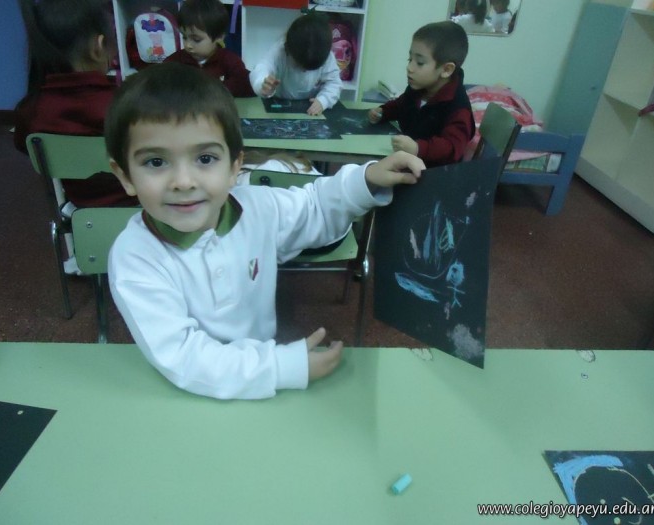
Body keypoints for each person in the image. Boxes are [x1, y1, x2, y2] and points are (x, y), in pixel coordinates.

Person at [104, 62, 424, 400]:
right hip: (190, 396)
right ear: (125, 175)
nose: (183, 182)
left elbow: (314, 207)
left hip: (261, 385)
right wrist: (280, 367)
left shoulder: (258, 208)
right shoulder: (135, 256)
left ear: (234, 167)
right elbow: (183, 357)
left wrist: (366, 180)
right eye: (156, 162)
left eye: (205, 159)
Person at [14, 0, 138, 210]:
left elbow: (27, 149)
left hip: (81, 213)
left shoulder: (31, 109)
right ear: (98, 47)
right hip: (138, 207)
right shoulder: (124, 104)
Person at [367, 21, 475, 167]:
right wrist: (383, 112)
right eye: (410, 59)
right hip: (408, 163)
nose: (409, 67)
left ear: (446, 70)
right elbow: (401, 105)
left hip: (433, 175)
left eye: (419, 62)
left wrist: (418, 148)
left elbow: (452, 148)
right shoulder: (419, 88)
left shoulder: (458, 108)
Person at [249, 11, 342, 115]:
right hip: (279, 105)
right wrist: (262, 84)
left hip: (310, 107)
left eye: (311, 69)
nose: (304, 71)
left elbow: (334, 83)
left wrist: (324, 100)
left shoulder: (326, 55)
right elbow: (261, 68)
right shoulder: (280, 51)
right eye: (298, 65)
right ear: (289, 49)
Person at [164, 0, 254, 97]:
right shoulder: (176, 61)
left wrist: (212, 89)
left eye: (196, 40)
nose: (188, 45)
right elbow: (159, 82)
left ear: (219, 37)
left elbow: (246, 84)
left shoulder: (229, 60)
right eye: (185, 37)